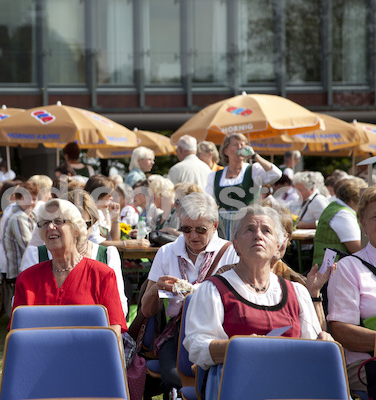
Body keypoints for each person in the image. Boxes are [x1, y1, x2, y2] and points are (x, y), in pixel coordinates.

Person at [184, 204, 331, 373]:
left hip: (291, 382)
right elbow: (197, 347)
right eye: (250, 229)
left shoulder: (297, 292)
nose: (258, 236)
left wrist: (322, 342)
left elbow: (311, 346)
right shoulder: (214, 290)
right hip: (239, 382)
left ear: (278, 246)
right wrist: (240, 346)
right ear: (235, 244)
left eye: (267, 231)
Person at [140, 193, 239, 392]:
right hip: (179, 331)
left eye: (201, 230)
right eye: (186, 229)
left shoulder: (231, 252)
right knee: (175, 377)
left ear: (215, 225)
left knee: (222, 378)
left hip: (219, 329)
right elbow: (146, 310)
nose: (193, 236)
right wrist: (155, 290)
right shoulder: (167, 252)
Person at [12, 198, 127, 336]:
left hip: (89, 355)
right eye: (45, 223)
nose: (50, 227)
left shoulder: (102, 275)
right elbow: (17, 333)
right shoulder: (27, 279)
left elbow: (113, 331)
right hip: (41, 355)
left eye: (58, 221)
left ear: (76, 230)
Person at [327, 184, 376, 392]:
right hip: (369, 363)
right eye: (375, 217)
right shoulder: (349, 268)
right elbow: (341, 332)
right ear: (362, 224)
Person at [205, 133, 282, 240]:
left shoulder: (254, 170)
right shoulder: (215, 175)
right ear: (226, 150)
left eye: (243, 144)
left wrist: (255, 156)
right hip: (223, 225)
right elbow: (209, 201)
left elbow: (276, 174)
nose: (241, 148)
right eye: (236, 145)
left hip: (248, 222)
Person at [312, 177, 367, 267]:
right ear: (352, 200)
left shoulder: (335, 206)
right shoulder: (343, 214)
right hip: (331, 272)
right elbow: (357, 248)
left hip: (330, 267)